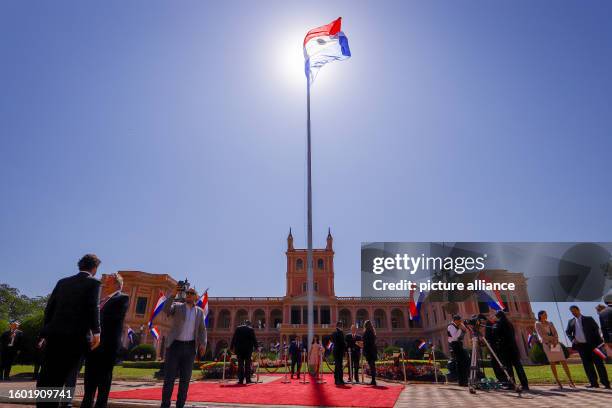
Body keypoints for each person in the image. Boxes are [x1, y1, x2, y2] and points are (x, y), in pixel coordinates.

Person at [37, 254, 102, 408]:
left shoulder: (62, 282)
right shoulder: (93, 283)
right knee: (65, 376)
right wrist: (97, 332)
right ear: (94, 268)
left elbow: (49, 309)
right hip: (76, 339)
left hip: (54, 336)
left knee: (47, 377)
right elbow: (93, 307)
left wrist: (44, 333)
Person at [81, 273, 129, 408]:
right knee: (89, 381)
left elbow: (111, 318)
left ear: (116, 284)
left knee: (103, 382)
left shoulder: (122, 298)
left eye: (108, 282)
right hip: (94, 346)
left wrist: (95, 326)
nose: (105, 284)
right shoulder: (102, 301)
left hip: (107, 347)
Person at [161, 286, 208, 408]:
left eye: (191, 293)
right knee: (169, 379)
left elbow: (202, 330)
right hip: (175, 346)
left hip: (190, 348)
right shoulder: (177, 306)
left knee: (185, 381)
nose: (188, 294)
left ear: (196, 297)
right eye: (187, 293)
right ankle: (165, 405)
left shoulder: (199, 312)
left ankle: (180, 405)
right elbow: (166, 309)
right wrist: (173, 295)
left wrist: (203, 343)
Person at [566, 305, 610, 389]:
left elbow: (596, 330)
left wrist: (598, 344)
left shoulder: (589, 319)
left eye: (574, 310)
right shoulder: (571, 322)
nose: (573, 312)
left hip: (593, 345)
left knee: (599, 364)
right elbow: (568, 332)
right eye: (571, 311)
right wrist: (572, 339)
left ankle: (605, 383)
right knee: (587, 366)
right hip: (581, 347)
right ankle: (593, 383)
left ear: (578, 310)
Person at [534, 310, 575, 389]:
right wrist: (552, 339)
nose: (546, 315)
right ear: (540, 315)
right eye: (544, 314)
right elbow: (541, 335)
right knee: (552, 362)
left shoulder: (550, 323)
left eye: (546, 314)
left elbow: (555, 332)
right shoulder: (537, 324)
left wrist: (555, 340)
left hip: (555, 344)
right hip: (547, 344)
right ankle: (558, 381)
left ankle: (570, 380)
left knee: (563, 361)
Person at [493, 310, 529, 391]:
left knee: (509, 368)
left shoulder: (498, 324)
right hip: (513, 348)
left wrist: (494, 324)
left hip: (505, 349)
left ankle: (511, 384)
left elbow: (495, 334)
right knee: (519, 367)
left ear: (498, 316)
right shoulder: (510, 323)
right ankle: (525, 384)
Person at [230, 320, 257, 385]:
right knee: (247, 365)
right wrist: (256, 347)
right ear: (249, 324)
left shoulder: (238, 328)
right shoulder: (251, 329)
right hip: (248, 350)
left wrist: (231, 347)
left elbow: (234, 338)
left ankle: (240, 380)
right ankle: (248, 380)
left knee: (240, 365)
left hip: (239, 350)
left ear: (244, 323)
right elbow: (254, 339)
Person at [484, 313, 507, 384]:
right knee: (497, 362)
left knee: (497, 362)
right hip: (497, 345)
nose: (493, 317)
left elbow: (488, 336)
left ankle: (502, 378)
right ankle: (502, 378)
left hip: (495, 346)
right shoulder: (500, 323)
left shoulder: (496, 324)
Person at [447, 315, 468, 387]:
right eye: (459, 321)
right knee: (459, 363)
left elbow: (464, 332)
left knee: (464, 362)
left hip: (459, 344)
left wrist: (463, 328)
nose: (460, 322)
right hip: (454, 345)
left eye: (460, 320)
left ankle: (464, 380)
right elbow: (455, 337)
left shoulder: (458, 325)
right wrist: (460, 329)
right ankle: (461, 381)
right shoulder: (451, 326)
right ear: (455, 320)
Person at [330, 321, 347, 385]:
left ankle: (339, 379)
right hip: (339, 352)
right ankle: (338, 379)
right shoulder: (340, 333)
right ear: (340, 326)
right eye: (341, 325)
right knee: (339, 366)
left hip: (336, 351)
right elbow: (342, 342)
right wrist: (346, 348)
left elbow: (332, 342)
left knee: (338, 366)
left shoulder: (334, 333)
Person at [362, 320, 377, 386]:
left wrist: (363, 348)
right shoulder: (373, 331)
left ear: (365, 325)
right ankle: (373, 380)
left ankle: (373, 380)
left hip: (369, 351)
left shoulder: (366, 332)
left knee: (371, 365)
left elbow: (365, 342)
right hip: (373, 350)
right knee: (373, 365)